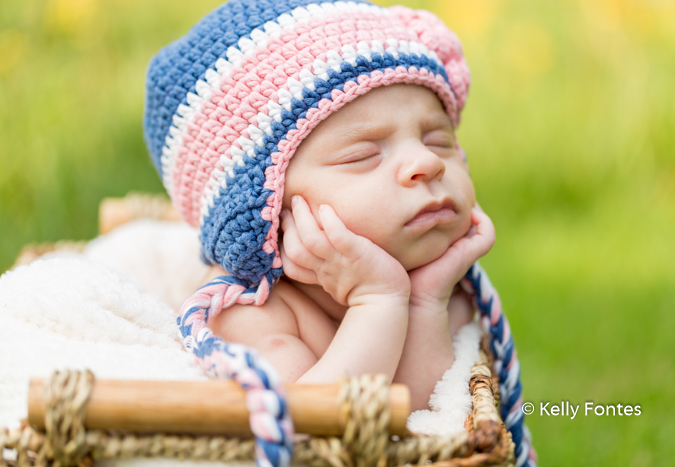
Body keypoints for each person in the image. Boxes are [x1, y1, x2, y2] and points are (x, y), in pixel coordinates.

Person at [143, 2, 535, 465]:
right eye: (364, 155)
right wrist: (379, 302)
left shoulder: (445, 284)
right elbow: (318, 439)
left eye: (438, 141)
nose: (426, 164)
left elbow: (433, 426)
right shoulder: (253, 317)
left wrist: (424, 300)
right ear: (272, 213)